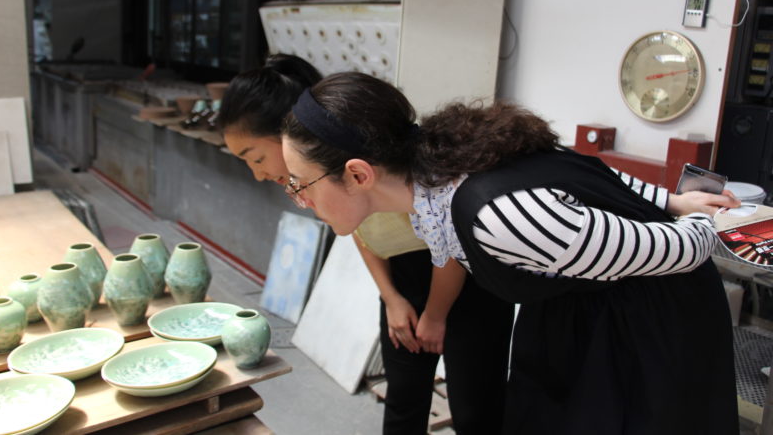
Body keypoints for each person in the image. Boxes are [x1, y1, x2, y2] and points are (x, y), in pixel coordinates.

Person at [280, 72, 742, 435]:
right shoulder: (447, 169)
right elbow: (587, 176)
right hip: (574, 318)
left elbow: (676, 251)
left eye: (301, 184)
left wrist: (707, 221)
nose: (298, 199)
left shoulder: (494, 215)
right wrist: (668, 199)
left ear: (359, 174)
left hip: (640, 328)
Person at [216, 55, 513, 434]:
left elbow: (448, 241)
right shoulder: (317, 180)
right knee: (404, 397)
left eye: (255, 157)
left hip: (465, 279)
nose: (258, 174)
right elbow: (361, 231)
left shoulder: (372, 173)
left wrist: (436, 314)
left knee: (476, 406)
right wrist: (391, 297)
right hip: (406, 280)